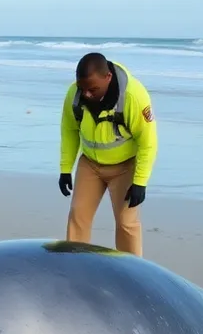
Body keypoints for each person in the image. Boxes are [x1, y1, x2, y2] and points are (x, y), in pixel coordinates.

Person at [58, 52, 158, 257]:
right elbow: (69, 131)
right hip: (90, 164)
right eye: (82, 88)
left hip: (125, 167)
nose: (86, 94)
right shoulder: (74, 95)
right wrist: (65, 169)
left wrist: (140, 182)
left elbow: (148, 142)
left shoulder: (133, 96)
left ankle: (132, 270)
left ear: (108, 77)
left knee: (126, 222)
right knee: (78, 215)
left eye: (92, 89)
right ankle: (75, 264)